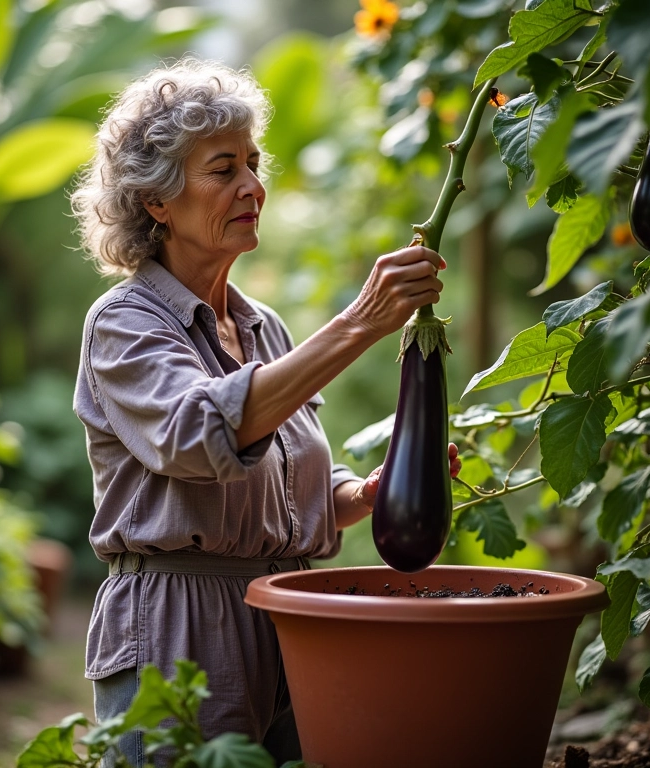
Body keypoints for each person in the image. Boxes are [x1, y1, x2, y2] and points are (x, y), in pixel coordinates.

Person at [71, 57, 460, 767]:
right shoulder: (124, 323)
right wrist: (361, 323)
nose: (253, 186)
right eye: (223, 170)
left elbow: (288, 483)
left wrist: (363, 495)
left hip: (289, 616)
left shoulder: (262, 328)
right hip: (176, 628)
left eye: (254, 163)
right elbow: (199, 435)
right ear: (157, 201)